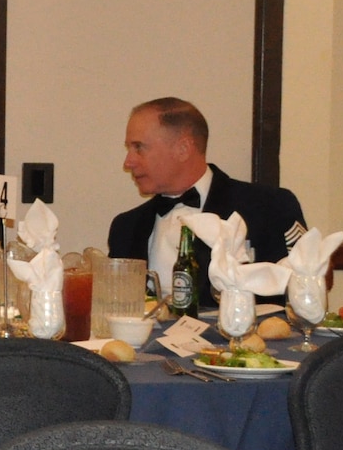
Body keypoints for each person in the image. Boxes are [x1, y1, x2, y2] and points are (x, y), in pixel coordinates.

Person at [108, 96, 307, 305]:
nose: (128, 162)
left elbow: (307, 286)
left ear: (183, 148)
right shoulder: (125, 228)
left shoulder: (269, 207)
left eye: (139, 147)